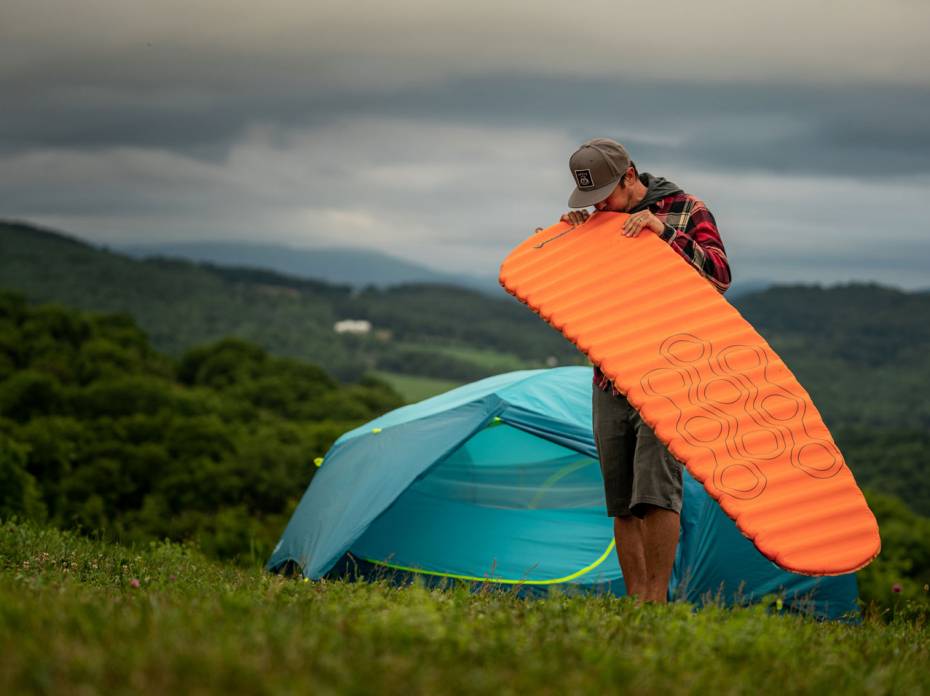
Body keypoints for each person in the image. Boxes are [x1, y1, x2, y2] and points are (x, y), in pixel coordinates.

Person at [559, 137, 732, 603]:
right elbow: (579, 294)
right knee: (620, 500)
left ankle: (657, 601)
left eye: (604, 197)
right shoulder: (596, 223)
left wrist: (664, 233)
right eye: (590, 200)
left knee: (655, 494)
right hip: (609, 374)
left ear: (630, 176)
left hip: (667, 376)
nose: (599, 207)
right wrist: (568, 246)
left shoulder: (686, 210)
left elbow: (719, 277)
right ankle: (636, 604)